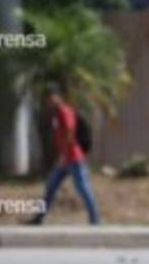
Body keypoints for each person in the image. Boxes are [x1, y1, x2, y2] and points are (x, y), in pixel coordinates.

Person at [30, 85, 100, 225]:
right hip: (65, 159)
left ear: (58, 97)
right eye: (47, 99)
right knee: (51, 186)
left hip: (74, 158)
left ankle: (95, 220)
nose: (49, 101)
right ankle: (39, 218)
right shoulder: (56, 114)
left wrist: (64, 155)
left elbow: (70, 131)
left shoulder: (64, 110)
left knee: (83, 188)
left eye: (51, 97)